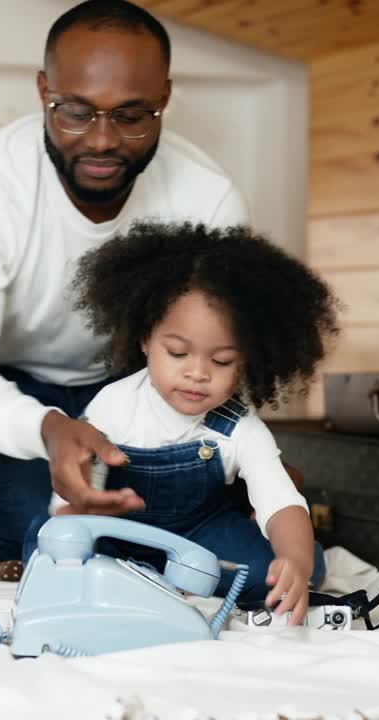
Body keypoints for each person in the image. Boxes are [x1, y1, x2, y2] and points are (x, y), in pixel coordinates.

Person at [0, 0, 248, 562]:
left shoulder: (208, 198)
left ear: (164, 98)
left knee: (146, 526)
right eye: (77, 112)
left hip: (129, 381)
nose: (102, 141)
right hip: (2, 385)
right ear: (44, 91)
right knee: (31, 535)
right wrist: (45, 427)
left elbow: (218, 350)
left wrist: (247, 458)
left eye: (132, 116)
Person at [26, 221, 339, 622]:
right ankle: (131, 577)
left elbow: (281, 501)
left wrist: (294, 558)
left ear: (248, 360)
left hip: (201, 534)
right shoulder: (114, 405)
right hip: (115, 533)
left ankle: (145, 581)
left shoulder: (238, 426)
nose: (197, 373)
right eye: (177, 353)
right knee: (45, 546)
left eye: (222, 360)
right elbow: (77, 498)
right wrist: (75, 523)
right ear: (145, 341)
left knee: (293, 566)